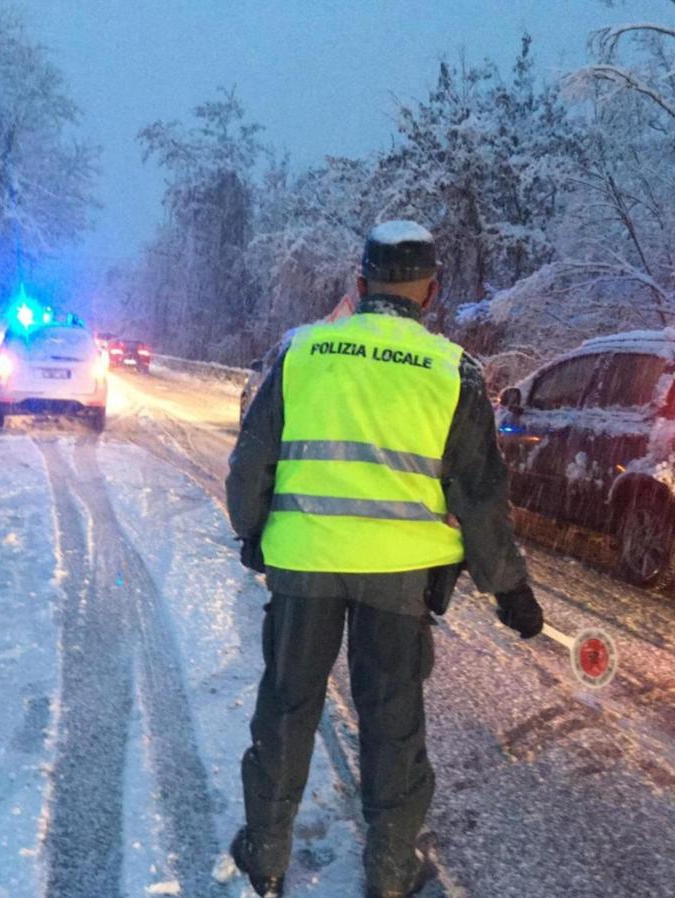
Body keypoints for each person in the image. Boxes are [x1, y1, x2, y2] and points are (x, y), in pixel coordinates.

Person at [225, 220, 544, 898]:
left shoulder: (302, 350)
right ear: (430, 292)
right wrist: (508, 588)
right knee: (393, 723)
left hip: (304, 564)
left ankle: (267, 855)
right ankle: (392, 871)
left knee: (286, 709)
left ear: (362, 284)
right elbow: (481, 495)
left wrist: (252, 530)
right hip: (399, 579)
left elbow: (251, 458)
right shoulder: (450, 370)